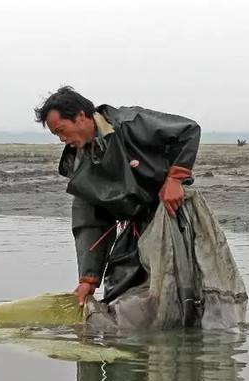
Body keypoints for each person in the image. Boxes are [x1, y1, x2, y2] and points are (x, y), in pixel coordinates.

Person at [34, 86, 201, 307]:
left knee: (180, 289)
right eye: (56, 135)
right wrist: (88, 278)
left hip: (170, 211)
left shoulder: (130, 123)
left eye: (62, 131)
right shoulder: (80, 163)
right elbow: (89, 221)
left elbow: (188, 130)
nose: (62, 139)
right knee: (119, 288)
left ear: (81, 116)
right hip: (135, 224)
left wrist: (175, 179)